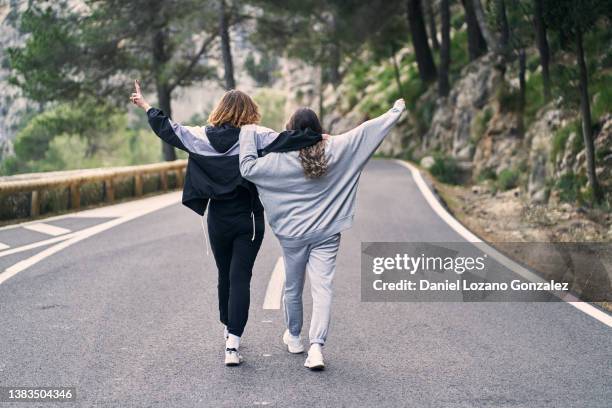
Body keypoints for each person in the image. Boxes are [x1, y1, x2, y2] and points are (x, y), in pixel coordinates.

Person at [130, 81, 321, 366]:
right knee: (240, 277)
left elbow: (169, 130)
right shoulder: (254, 136)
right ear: (249, 112)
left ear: (220, 110)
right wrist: (319, 136)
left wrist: (146, 106)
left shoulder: (200, 137)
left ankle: (228, 329)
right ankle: (233, 342)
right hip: (249, 219)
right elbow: (290, 139)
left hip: (217, 218)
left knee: (224, 275)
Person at [239, 99, 405, 370]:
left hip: (292, 236)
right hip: (327, 234)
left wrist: (247, 131)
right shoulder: (336, 148)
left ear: (290, 130)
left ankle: (294, 337)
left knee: (292, 286)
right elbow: (367, 131)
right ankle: (316, 347)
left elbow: (247, 168)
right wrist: (395, 110)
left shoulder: (277, 159)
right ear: (318, 128)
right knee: (322, 288)